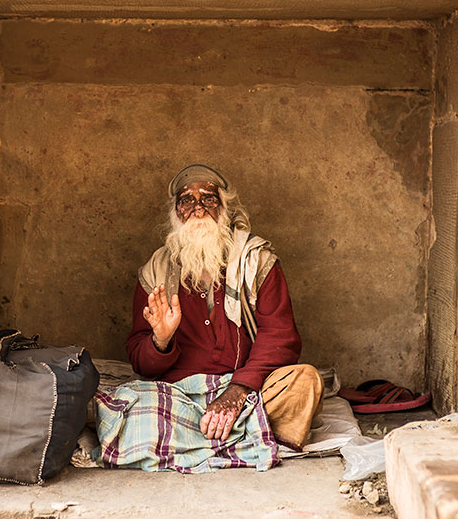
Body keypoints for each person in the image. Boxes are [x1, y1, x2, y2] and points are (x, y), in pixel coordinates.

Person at [126, 164, 323, 450]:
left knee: (305, 381)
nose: (198, 209)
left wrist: (237, 391)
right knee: (125, 404)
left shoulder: (257, 261)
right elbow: (139, 360)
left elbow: (280, 338)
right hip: (177, 394)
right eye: (187, 201)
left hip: (247, 389)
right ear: (176, 214)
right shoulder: (156, 270)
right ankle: (245, 435)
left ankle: (195, 439)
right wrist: (161, 340)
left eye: (208, 199)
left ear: (224, 209)